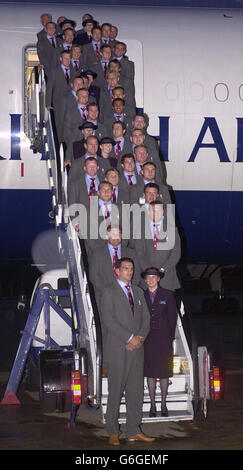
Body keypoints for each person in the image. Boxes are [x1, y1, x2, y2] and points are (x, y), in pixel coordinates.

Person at [100, 257, 155, 445]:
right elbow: (109, 321)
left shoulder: (139, 292)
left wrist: (139, 338)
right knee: (115, 391)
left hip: (137, 350)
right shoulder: (108, 292)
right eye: (125, 268)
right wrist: (129, 338)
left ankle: (133, 429)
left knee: (135, 391)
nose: (129, 272)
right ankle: (113, 431)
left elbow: (146, 319)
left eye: (131, 269)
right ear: (117, 271)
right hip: (118, 349)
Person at [141, 267, 177, 417]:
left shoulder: (168, 295)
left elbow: (172, 318)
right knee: (150, 373)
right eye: (148, 277)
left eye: (153, 277)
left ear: (158, 279)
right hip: (147, 339)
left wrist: (170, 337)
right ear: (145, 280)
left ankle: (163, 404)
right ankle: (152, 405)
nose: (150, 279)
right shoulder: (140, 295)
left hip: (163, 340)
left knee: (163, 373)